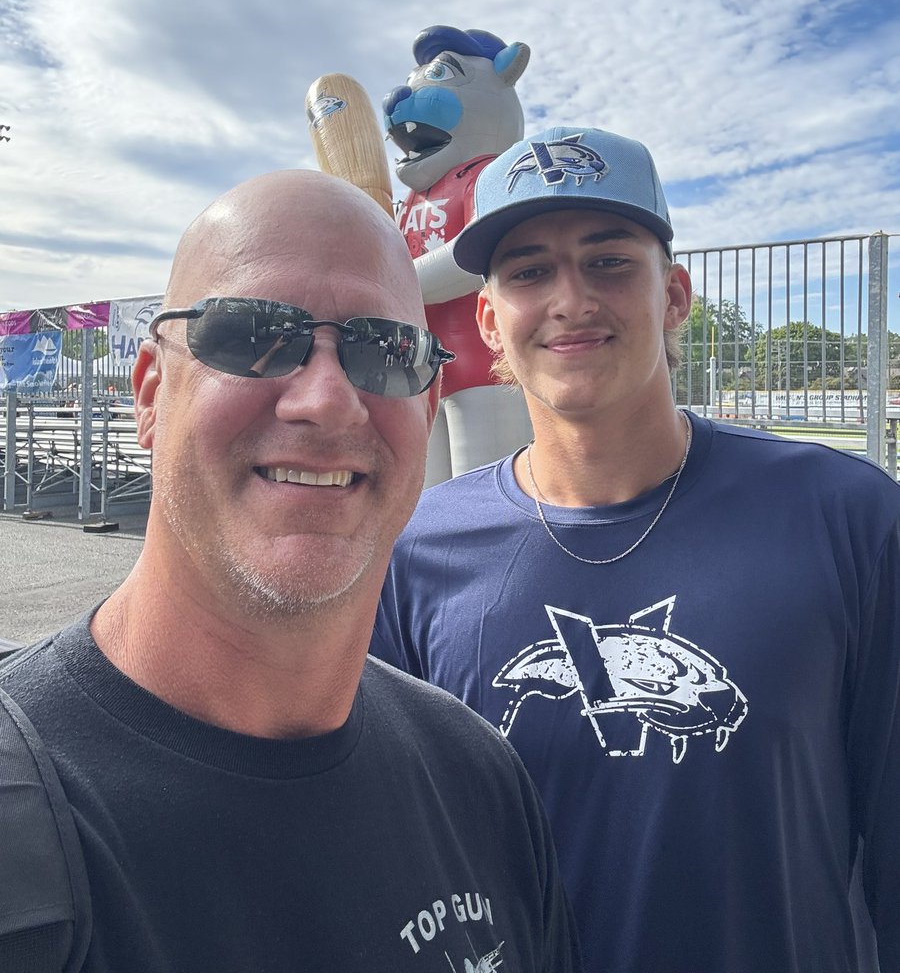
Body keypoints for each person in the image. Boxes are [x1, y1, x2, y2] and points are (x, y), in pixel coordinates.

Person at [0, 169, 581, 973]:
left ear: (425, 403)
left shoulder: (479, 780)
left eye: (385, 351)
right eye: (252, 336)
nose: (328, 401)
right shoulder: (24, 810)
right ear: (149, 392)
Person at [373, 126, 900, 973]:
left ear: (675, 295)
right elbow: (394, 857)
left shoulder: (847, 518)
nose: (570, 299)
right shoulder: (416, 554)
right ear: (489, 320)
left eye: (610, 261)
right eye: (529, 271)